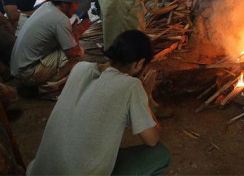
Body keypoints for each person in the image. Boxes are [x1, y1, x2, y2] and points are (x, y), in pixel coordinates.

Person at [27, 30, 171, 175]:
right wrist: (146, 98)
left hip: (39, 171)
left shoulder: (79, 68)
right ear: (139, 63)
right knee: (160, 155)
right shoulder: (131, 86)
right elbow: (152, 139)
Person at [10, 0, 90, 98]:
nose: (77, 7)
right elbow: (72, 52)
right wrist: (77, 33)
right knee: (78, 53)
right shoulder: (60, 19)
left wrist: (71, 33)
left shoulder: (47, 6)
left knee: (66, 46)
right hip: (27, 73)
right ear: (64, 3)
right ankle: (45, 88)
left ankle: (39, 82)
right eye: (75, 4)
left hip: (18, 68)